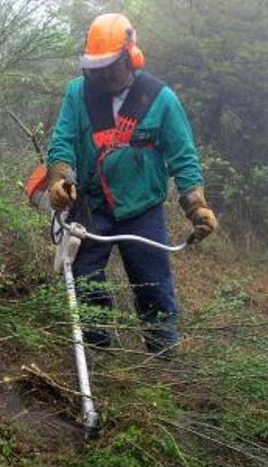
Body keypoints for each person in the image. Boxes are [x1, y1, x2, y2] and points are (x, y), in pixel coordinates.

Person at [44, 13, 217, 357]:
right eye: (94, 67)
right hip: (92, 204)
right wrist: (61, 178)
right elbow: (62, 140)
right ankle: (97, 353)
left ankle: (163, 357)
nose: (100, 75)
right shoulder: (78, 93)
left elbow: (183, 156)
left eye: (107, 67)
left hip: (142, 209)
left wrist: (196, 206)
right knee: (85, 277)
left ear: (129, 58)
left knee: (154, 286)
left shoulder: (160, 98)